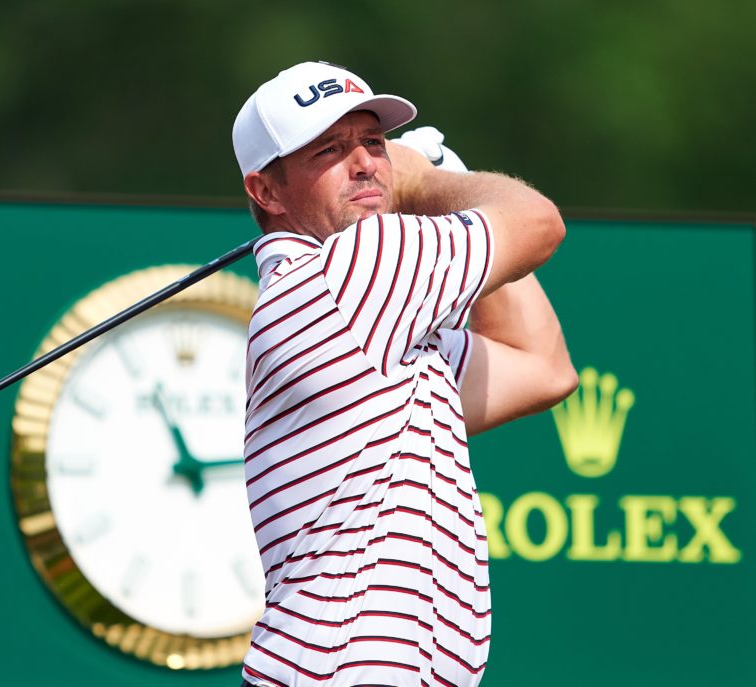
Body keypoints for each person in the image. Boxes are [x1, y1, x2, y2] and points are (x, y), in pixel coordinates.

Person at [233, 61, 577, 687]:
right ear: (267, 192)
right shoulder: (352, 271)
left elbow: (543, 368)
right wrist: (433, 182)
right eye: (329, 150)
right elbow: (538, 223)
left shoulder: (383, 330)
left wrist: (443, 189)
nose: (365, 163)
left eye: (374, 142)